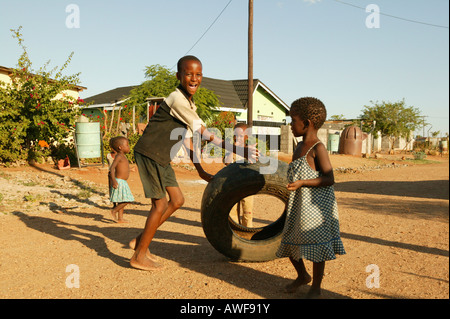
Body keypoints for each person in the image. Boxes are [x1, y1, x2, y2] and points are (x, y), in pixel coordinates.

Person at [130, 55, 259, 271]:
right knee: (160, 204)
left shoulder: (189, 103)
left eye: (198, 74)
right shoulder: (176, 99)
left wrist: (199, 169)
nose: (194, 78)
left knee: (177, 200)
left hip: (161, 157)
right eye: (189, 74)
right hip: (150, 153)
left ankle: (140, 240)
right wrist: (238, 148)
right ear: (179, 75)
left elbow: (188, 139)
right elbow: (204, 133)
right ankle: (139, 255)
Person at [276, 97, 346, 298]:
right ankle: (302, 276)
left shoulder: (318, 148)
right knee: (289, 240)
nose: (290, 124)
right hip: (299, 204)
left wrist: (302, 183)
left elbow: (329, 178)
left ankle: (316, 286)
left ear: (306, 124)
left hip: (316, 207)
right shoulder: (298, 146)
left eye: (293, 120)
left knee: (317, 247)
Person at [224, 123, 254, 227]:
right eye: (236, 136)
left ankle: (247, 234)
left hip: (247, 186)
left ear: (247, 137)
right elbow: (227, 162)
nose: (238, 138)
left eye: (241, 136)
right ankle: (235, 233)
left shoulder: (249, 150)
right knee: (232, 213)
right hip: (232, 186)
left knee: (247, 212)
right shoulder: (230, 150)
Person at [108, 136, 134, 223]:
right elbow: (111, 169)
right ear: (120, 147)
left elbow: (122, 168)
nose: (129, 147)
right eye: (127, 145)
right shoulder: (118, 156)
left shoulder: (123, 156)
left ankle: (120, 218)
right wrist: (114, 181)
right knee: (127, 200)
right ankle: (114, 211)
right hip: (119, 181)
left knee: (121, 200)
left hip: (123, 182)